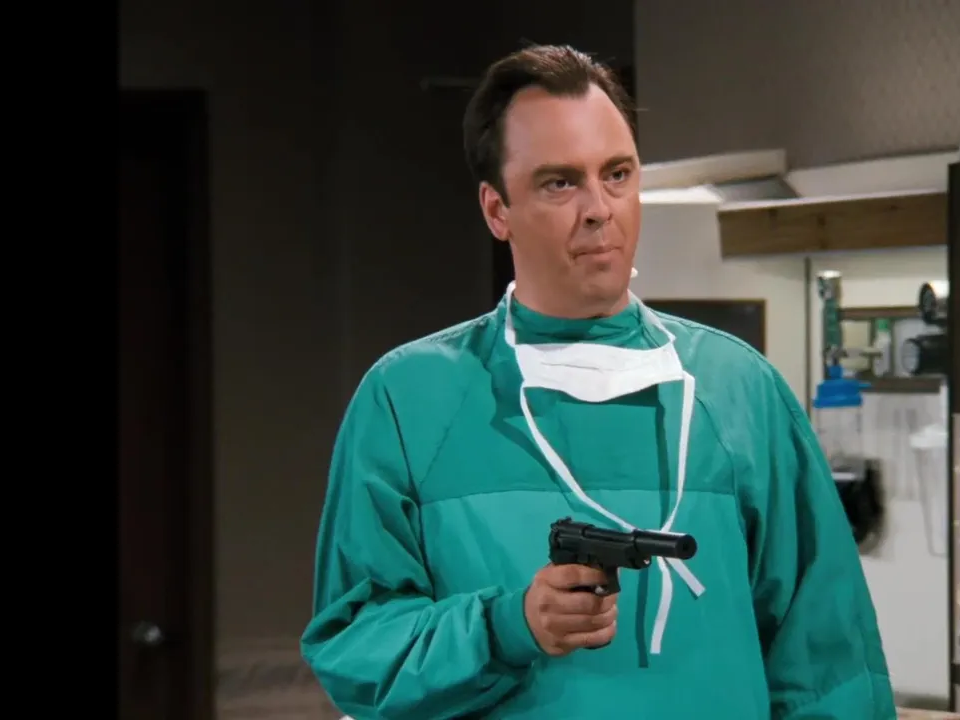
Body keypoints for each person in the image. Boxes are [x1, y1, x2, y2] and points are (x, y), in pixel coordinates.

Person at [300, 44, 895, 720]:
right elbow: (357, 646)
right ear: (497, 210)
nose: (599, 208)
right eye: (559, 183)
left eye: (617, 174)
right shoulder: (411, 400)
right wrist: (506, 627)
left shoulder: (740, 392)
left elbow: (829, 664)